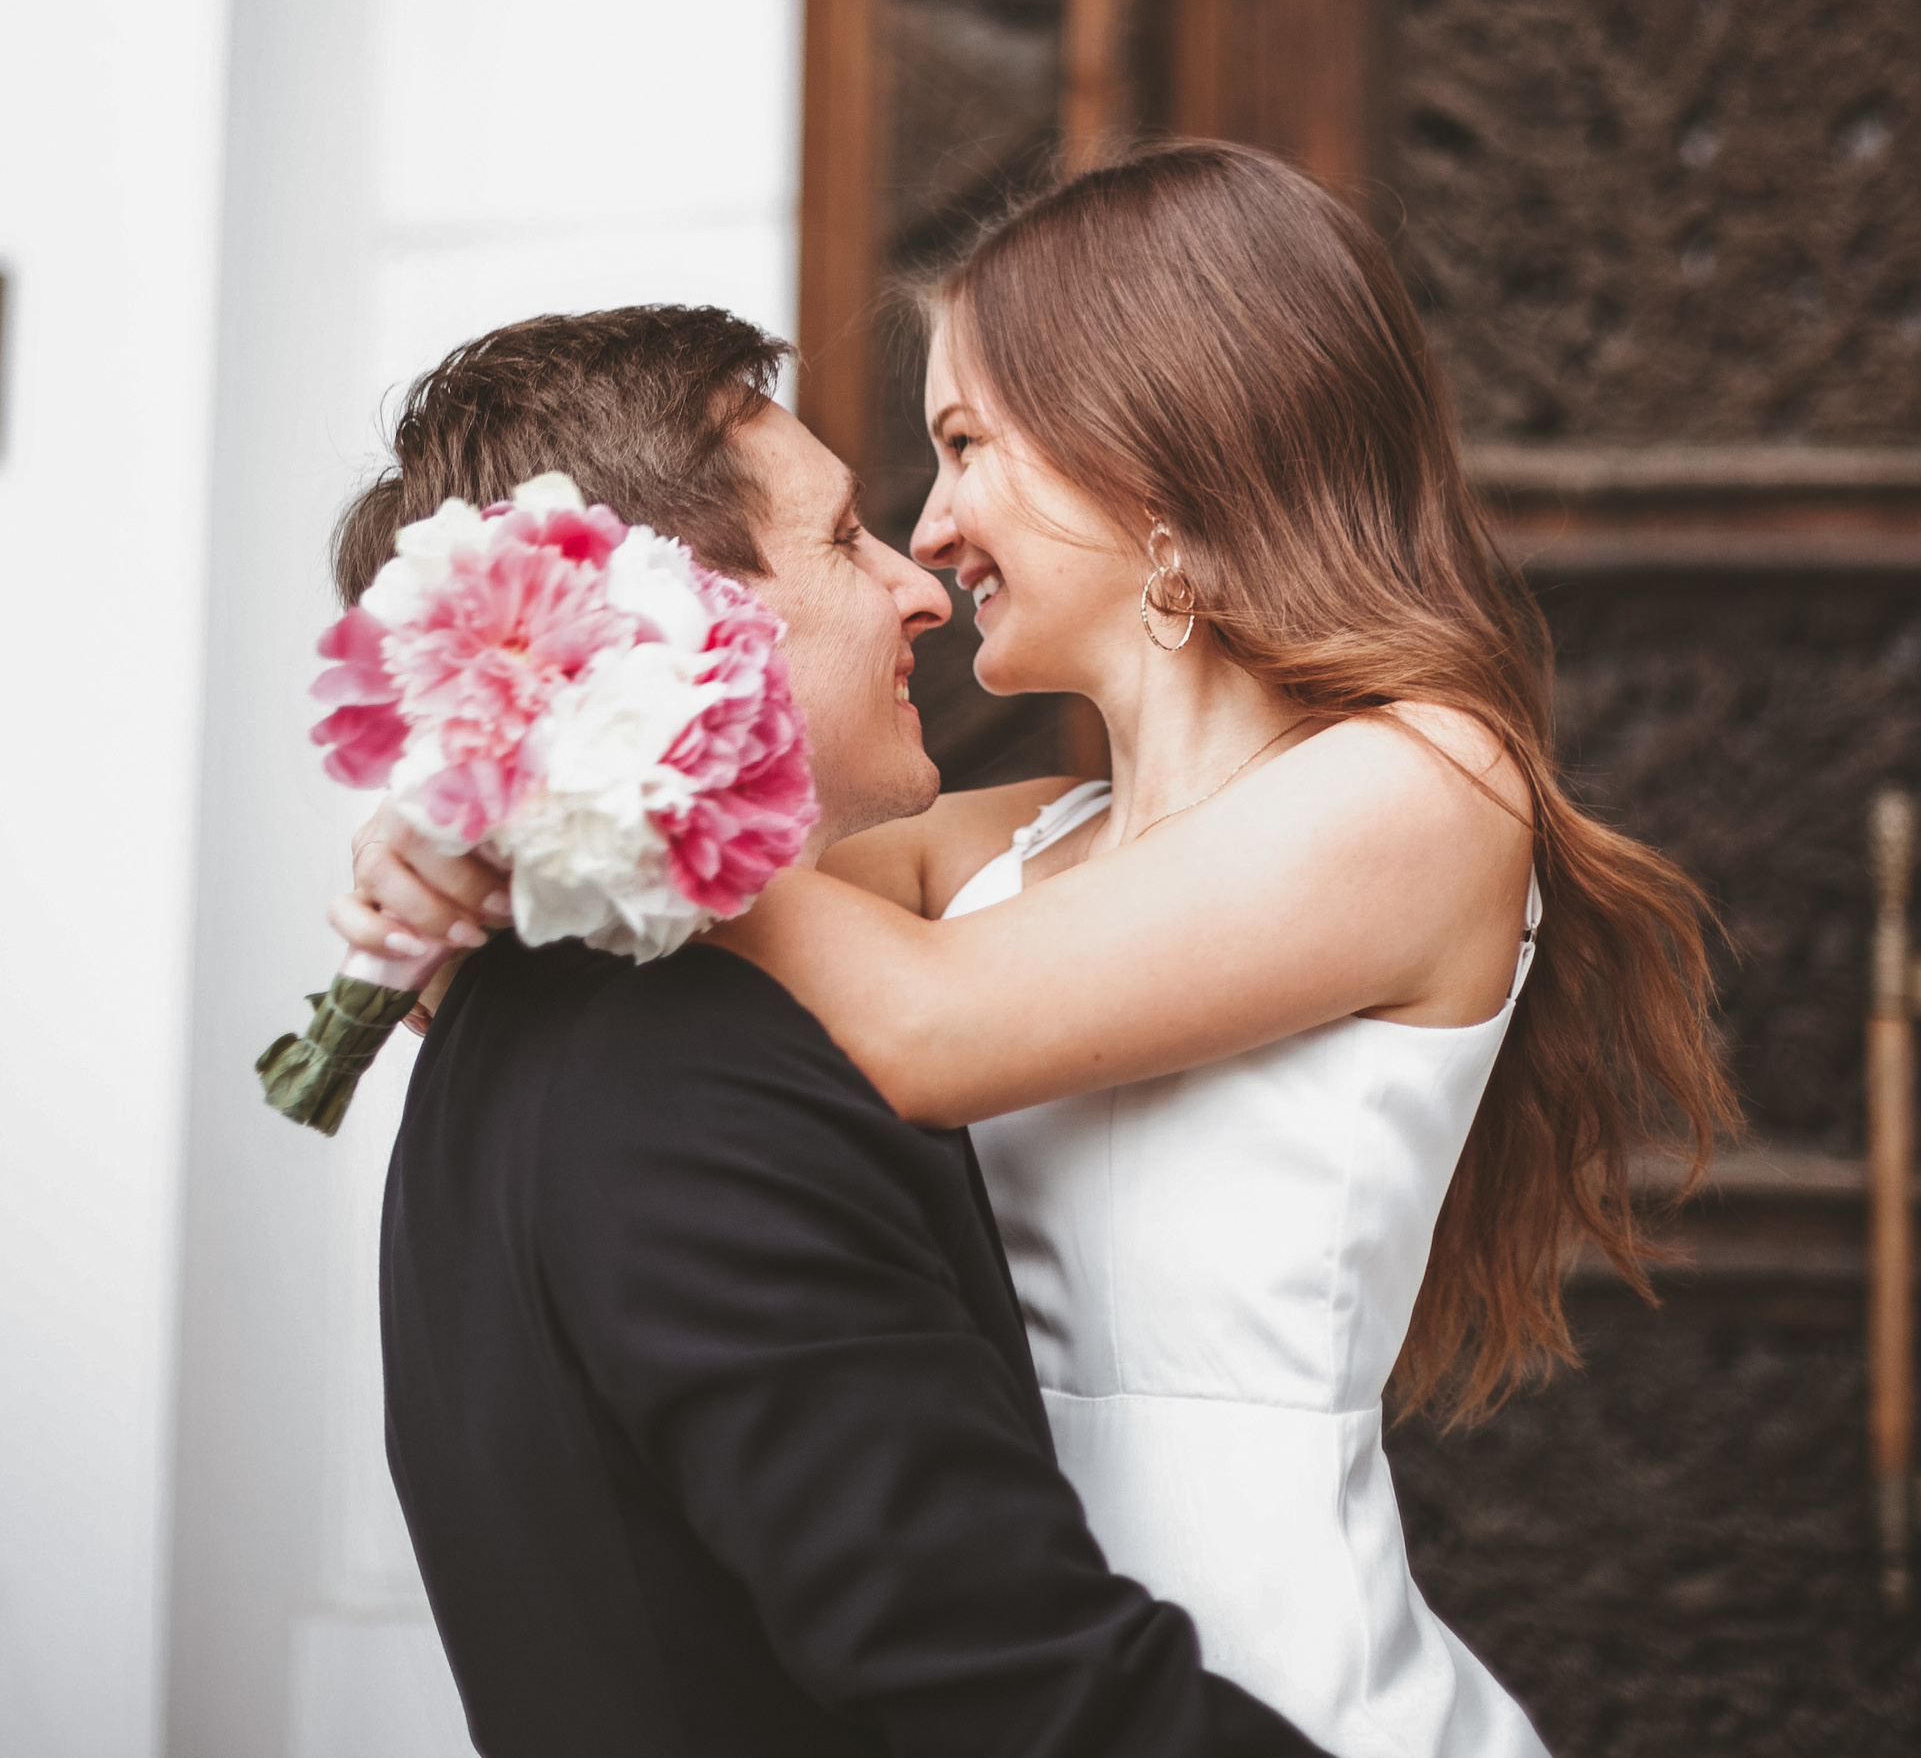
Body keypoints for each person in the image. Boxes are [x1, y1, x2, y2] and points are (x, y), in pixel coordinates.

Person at [346, 145, 1735, 1758]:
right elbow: (654, 997)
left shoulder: (1424, 783)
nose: (932, 531)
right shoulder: (1000, 845)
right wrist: (468, 835)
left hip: (1261, 1697)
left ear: (1155, 462)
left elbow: (912, 1022)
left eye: (961, 446)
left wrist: (589, 758)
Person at [335, 303, 1318, 1758]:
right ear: (677, 626)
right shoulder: (684, 1078)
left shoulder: (532, 999)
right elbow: (1002, 1680)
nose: (918, 582)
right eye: (847, 538)